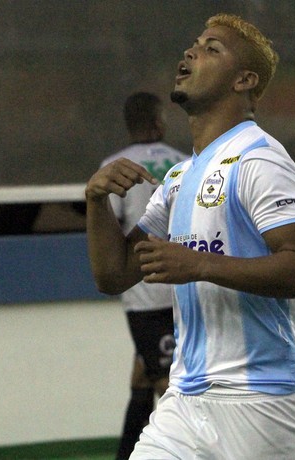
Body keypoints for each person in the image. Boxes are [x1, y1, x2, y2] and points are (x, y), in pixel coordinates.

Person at [85, 13, 295, 460]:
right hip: (186, 398)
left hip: (265, 403)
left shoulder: (260, 159)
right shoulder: (180, 177)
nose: (191, 52)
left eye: (211, 49)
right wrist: (96, 202)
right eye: (195, 45)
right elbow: (115, 274)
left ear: (244, 80)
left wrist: (200, 264)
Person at [99, 91, 188, 460]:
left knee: (166, 383)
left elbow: (111, 228)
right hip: (183, 287)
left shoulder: (114, 167)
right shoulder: (184, 163)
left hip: (144, 295)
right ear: (158, 122)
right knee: (146, 374)